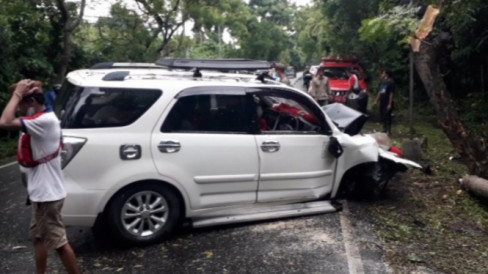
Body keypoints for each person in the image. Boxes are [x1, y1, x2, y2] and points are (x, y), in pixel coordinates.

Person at [0, 79, 80, 274]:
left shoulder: (42, 121)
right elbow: (41, 102)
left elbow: (4, 121)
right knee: (38, 238)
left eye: (20, 105)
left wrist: (18, 93)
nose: (17, 109)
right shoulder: (43, 115)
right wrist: (34, 90)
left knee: (59, 243)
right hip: (42, 193)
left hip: (47, 195)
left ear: (31, 103)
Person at [374, 70, 395, 134]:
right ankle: (384, 129)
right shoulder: (383, 82)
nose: (381, 75)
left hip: (387, 101)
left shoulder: (391, 82)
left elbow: (391, 93)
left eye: (383, 73)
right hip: (382, 101)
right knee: (382, 114)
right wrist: (376, 100)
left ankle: (389, 130)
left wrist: (389, 103)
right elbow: (380, 92)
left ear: (386, 74)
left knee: (387, 115)